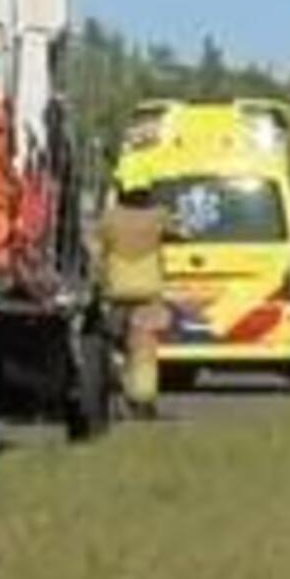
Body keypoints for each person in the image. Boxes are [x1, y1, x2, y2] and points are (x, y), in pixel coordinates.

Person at [96, 178, 173, 421]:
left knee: (114, 344)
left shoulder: (108, 218)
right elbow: (181, 233)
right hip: (147, 293)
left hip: (115, 291)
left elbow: (95, 248)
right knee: (143, 349)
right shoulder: (159, 216)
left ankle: (114, 390)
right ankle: (142, 399)